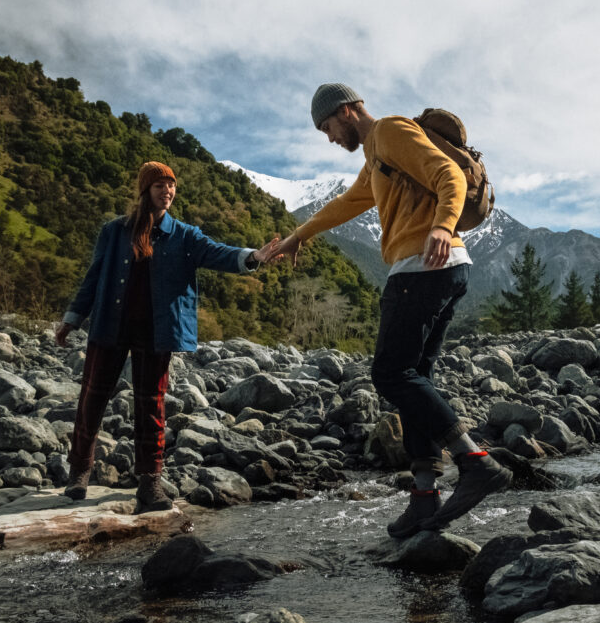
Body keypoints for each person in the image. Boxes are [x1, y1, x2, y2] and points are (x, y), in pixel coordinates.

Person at [272, 84, 511, 537]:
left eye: (327, 127)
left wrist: (441, 225)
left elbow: (449, 175)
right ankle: (424, 497)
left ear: (346, 111)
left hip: (423, 266)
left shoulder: (389, 131)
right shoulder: (376, 155)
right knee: (415, 377)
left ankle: (475, 461)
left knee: (391, 374)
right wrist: (297, 236)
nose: (328, 138)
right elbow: (346, 205)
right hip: (440, 269)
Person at [55, 161, 278, 513]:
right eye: (160, 185)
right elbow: (93, 277)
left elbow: (216, 252)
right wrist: (71, 320)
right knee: (92, 400)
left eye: (171, 185)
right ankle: (79, 473)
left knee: (151, 405)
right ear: (146, 190)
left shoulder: (185, 235)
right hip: (109, 325)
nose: (167, 191)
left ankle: (150, 482)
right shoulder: (114, 232)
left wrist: (253, 257)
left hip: (156, 331)